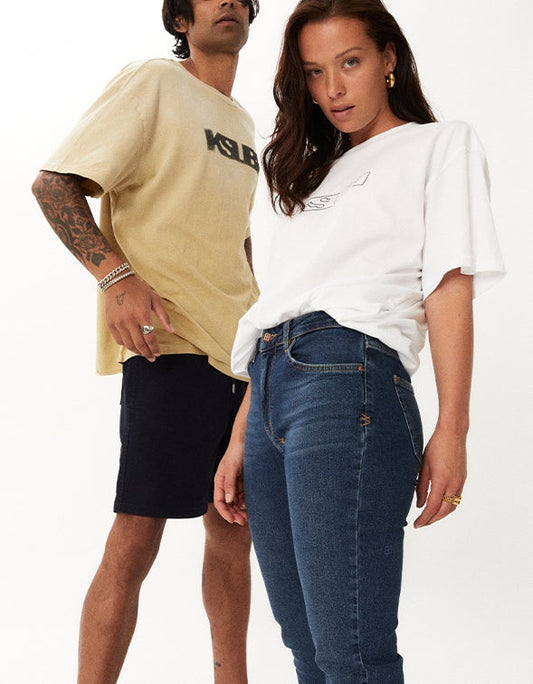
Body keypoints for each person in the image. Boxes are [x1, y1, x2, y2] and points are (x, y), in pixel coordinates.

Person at [214, 0, 505, 681]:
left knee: (350, 648)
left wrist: (453, 429)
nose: (333, 89)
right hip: (270, 387)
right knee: (304, 642)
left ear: (388, 59)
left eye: (350, 63)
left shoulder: (439, 145)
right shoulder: (301, 177)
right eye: (315, 72)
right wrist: (241, 435)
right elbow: (281, 302)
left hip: (348, 380)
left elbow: (447, 285)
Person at [32, 1, 260, 682]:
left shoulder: (244, 123)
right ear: (181, 20)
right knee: (136, 536)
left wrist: (263, 324)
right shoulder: (153, 82)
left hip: (242, 355)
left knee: (234, 532)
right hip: (172, 345)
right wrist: (116, 277)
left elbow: (236, 240)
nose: (227, 1)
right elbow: (54, 184)